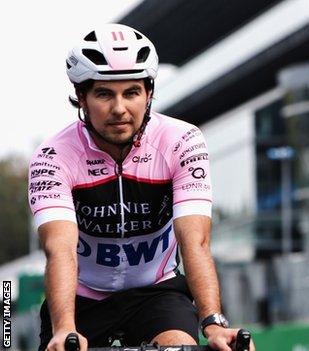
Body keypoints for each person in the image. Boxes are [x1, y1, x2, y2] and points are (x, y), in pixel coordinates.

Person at [28, 23, 253, 351]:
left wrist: (214, 322)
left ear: (148, 94)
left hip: (156, 293)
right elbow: (59, 249)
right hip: (81, 298)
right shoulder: (53, 155)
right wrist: (65, 329)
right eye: (104, 93)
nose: (119, 108)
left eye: (131, 92)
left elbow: (196, 240)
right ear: (82, 97)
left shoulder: (181, 142)